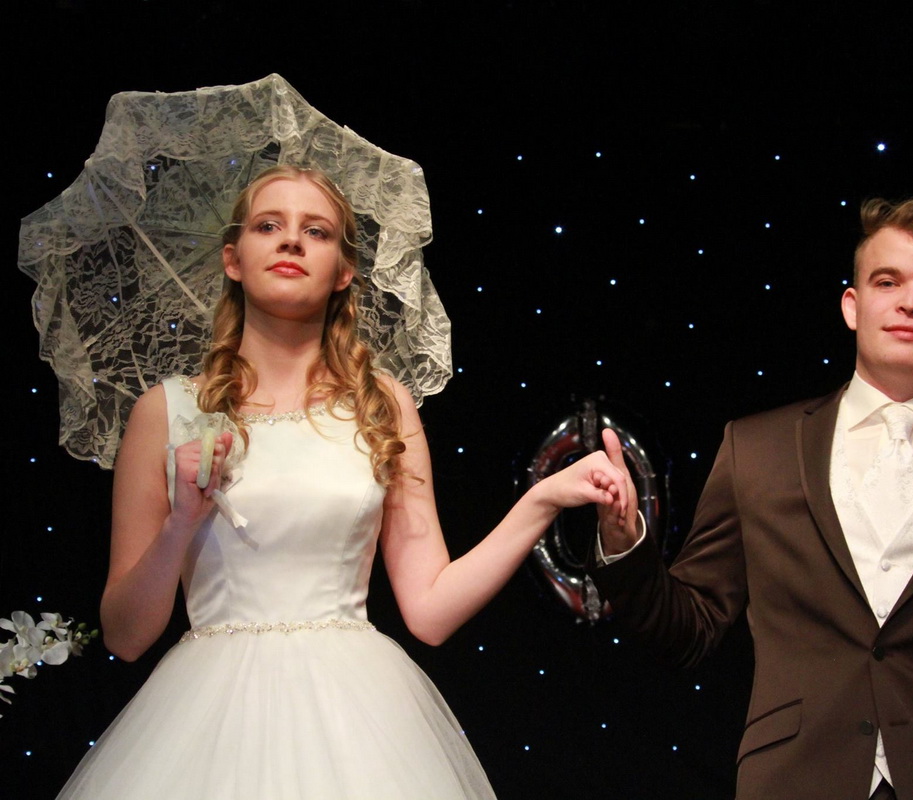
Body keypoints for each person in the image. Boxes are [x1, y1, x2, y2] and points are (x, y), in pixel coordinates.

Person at [58, 165, 631, 799]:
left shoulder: (382, 404)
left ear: (343, 271)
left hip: (356, 719)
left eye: (317, 231)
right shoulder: (168, 412)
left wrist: (544, 498)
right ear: (233, 258)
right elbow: (125, 636)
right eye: (268, 225)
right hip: (208, 722)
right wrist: (180, 524)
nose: (291, 240)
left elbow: (431, 611)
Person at [591, 198, 913, 799]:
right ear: (852, 305)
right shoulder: (756, 449)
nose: (910, 303)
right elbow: (689, 629)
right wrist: (624, 543)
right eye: (887, 281)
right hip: (795, 781)